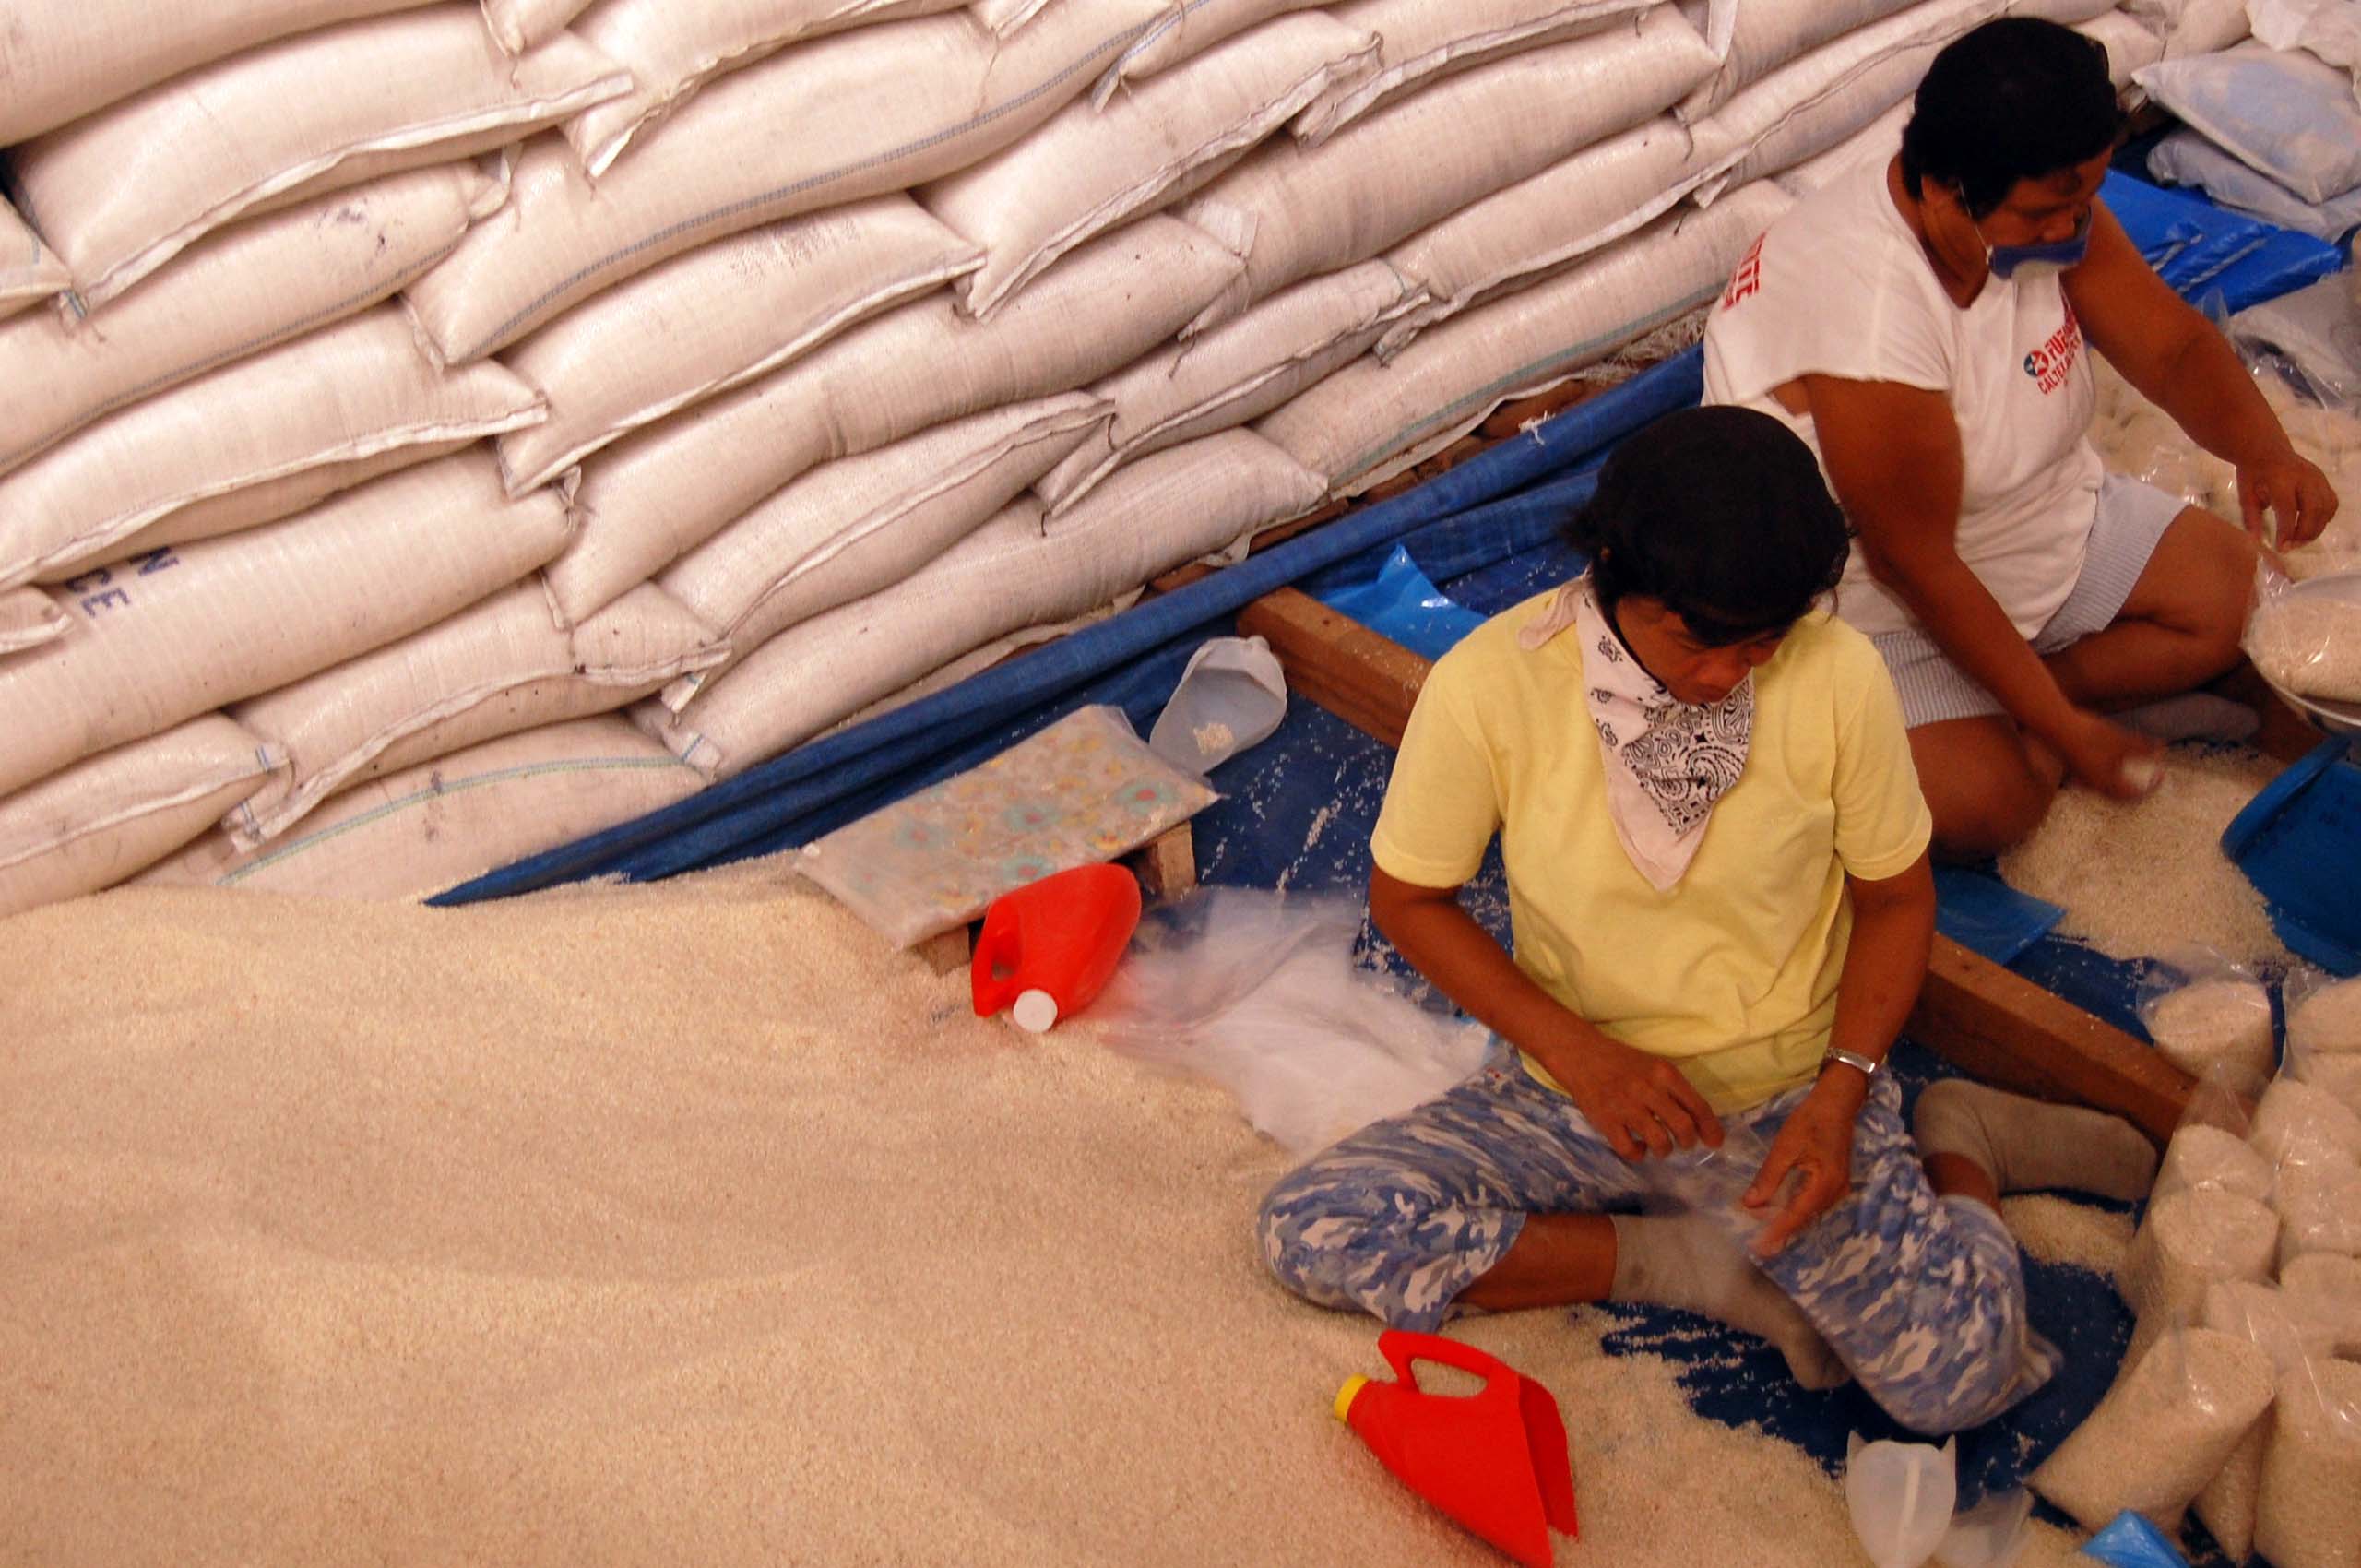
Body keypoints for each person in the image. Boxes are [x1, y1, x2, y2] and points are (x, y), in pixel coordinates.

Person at [1255, 407, 2161, 1434]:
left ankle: (1962, 1145)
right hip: (1572, 1091)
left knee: (1953, 1381)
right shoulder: (1493, 682)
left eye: (1763, 643)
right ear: (1610, 569)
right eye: (1698, 639)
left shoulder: (1836, 675)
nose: (1727, 673)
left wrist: (1841, 1091)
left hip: (1783, 1097)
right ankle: (1683, 1262)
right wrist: (1581, 1057)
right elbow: (1408, 899)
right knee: (1313, 1227)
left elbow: (1898, 897)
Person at [1702, 18, 2340, 860]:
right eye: (2046, 214)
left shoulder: (2037, 207)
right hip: (1874, 596)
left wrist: (2265, 449)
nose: (2072, 230)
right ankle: (2014, 719)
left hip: (2031, 517)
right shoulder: (1870, 315)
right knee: (1990, 806)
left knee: (2250, 601)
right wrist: (2068, 736)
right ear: (1940, 190)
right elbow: (1912, 561)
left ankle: (2018, 700)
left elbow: (2174, 346)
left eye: (2085, 201)